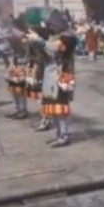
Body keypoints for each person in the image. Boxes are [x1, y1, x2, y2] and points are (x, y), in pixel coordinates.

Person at [29, 10, 78, 147]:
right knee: (52, 106)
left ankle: (64, 135)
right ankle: (59, 134)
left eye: (51, 24)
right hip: (51, 74)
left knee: (60, 106)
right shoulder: (56, 36)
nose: (50, 27)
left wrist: (39, 41)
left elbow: (54, 48)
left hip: (63, 74)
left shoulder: (68, 37)